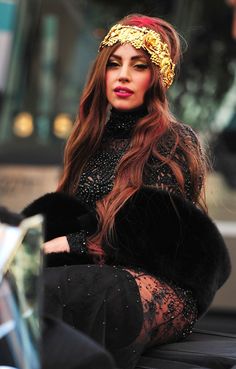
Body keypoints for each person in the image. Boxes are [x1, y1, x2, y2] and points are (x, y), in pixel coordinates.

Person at [22, 14, 231, 369]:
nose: (122, 76)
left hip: (160, 285)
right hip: (97, 273)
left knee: (73, 290)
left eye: (138, 66)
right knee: (28, 288)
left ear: (156, 78)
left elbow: (158, 237)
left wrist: (68, 244)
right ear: (101, 73)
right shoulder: (88, 143)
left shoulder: (174, 140)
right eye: (114, 64)